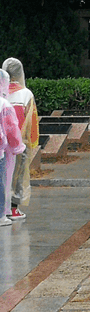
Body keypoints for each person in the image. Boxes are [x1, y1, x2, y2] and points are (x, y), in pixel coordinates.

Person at [2, 58, 38, 220]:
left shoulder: (2, 94)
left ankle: (2, 208)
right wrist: (32, 142)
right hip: (19, 142)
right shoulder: (26, 94)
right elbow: (31, 121)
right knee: (18, 175)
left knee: (3, 175)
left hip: (2, 144)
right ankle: (13, 209)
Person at [0, 69, 24, 227]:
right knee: (0, 182)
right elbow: (11, 129)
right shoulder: (4, 104)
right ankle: (1, 215)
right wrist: (18, 147)